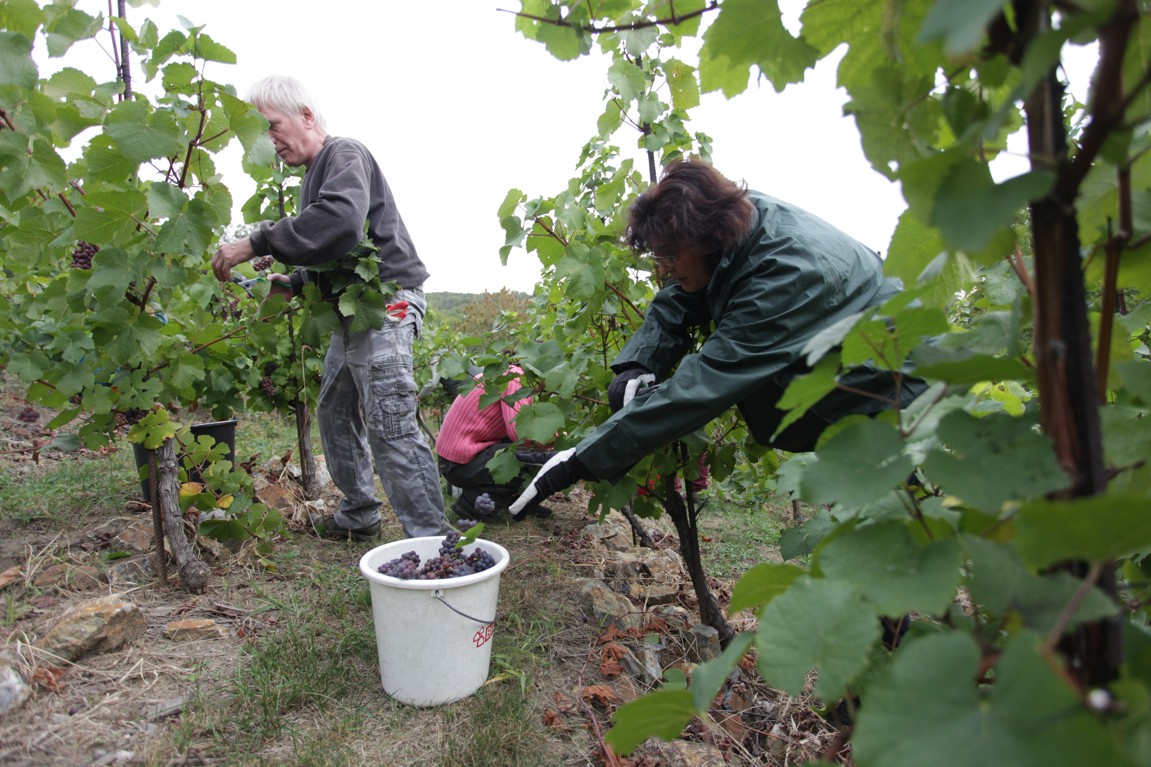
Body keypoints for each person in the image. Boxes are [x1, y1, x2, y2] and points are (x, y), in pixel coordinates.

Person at [511, 158, 928, 517]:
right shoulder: (738, 224)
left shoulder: (785, 273)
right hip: (852, 373)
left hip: (890, 390)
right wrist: (640, 362)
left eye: (671, 255)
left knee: (886, 529)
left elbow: (706, 383)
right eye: (660, 256)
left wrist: (579, 460)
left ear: (706, 237)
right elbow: (683, 292)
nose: (665, 268)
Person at [211, 75, 450, 542]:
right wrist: (297, 282)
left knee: (389, 419)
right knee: (334, 411)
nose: (270, 139)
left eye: (273, 125)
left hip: (388, 303)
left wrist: (256, 241)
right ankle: (360, 514)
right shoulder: (313, 178)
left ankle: (433, 542)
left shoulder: (344, 153)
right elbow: (338, 254)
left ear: (306, 115)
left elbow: (339, 224)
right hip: (353, 311)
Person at [435, 364, 553, 521]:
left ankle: (520, 501)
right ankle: (471, 504)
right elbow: (519, 433)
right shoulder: (516, 381)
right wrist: (553, 441)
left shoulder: (504, 374)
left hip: (452, 462)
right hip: (460, 466)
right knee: (532, 455)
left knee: (522, 450)